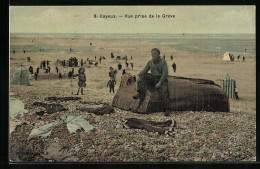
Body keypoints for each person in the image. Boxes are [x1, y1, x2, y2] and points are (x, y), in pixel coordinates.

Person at [132, 48, 170, 116]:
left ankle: (167, 109)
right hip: (153, 78)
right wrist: (138, 76)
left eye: (155, 54)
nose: (153, 55)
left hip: (161, 79)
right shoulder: (150, 62)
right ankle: (141, 94)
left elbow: (165, 73)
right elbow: (144, 71)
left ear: (158, 54)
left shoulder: (163, 62)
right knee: (142, 78)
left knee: (164, 91)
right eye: (152, 54)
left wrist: (160, 82)